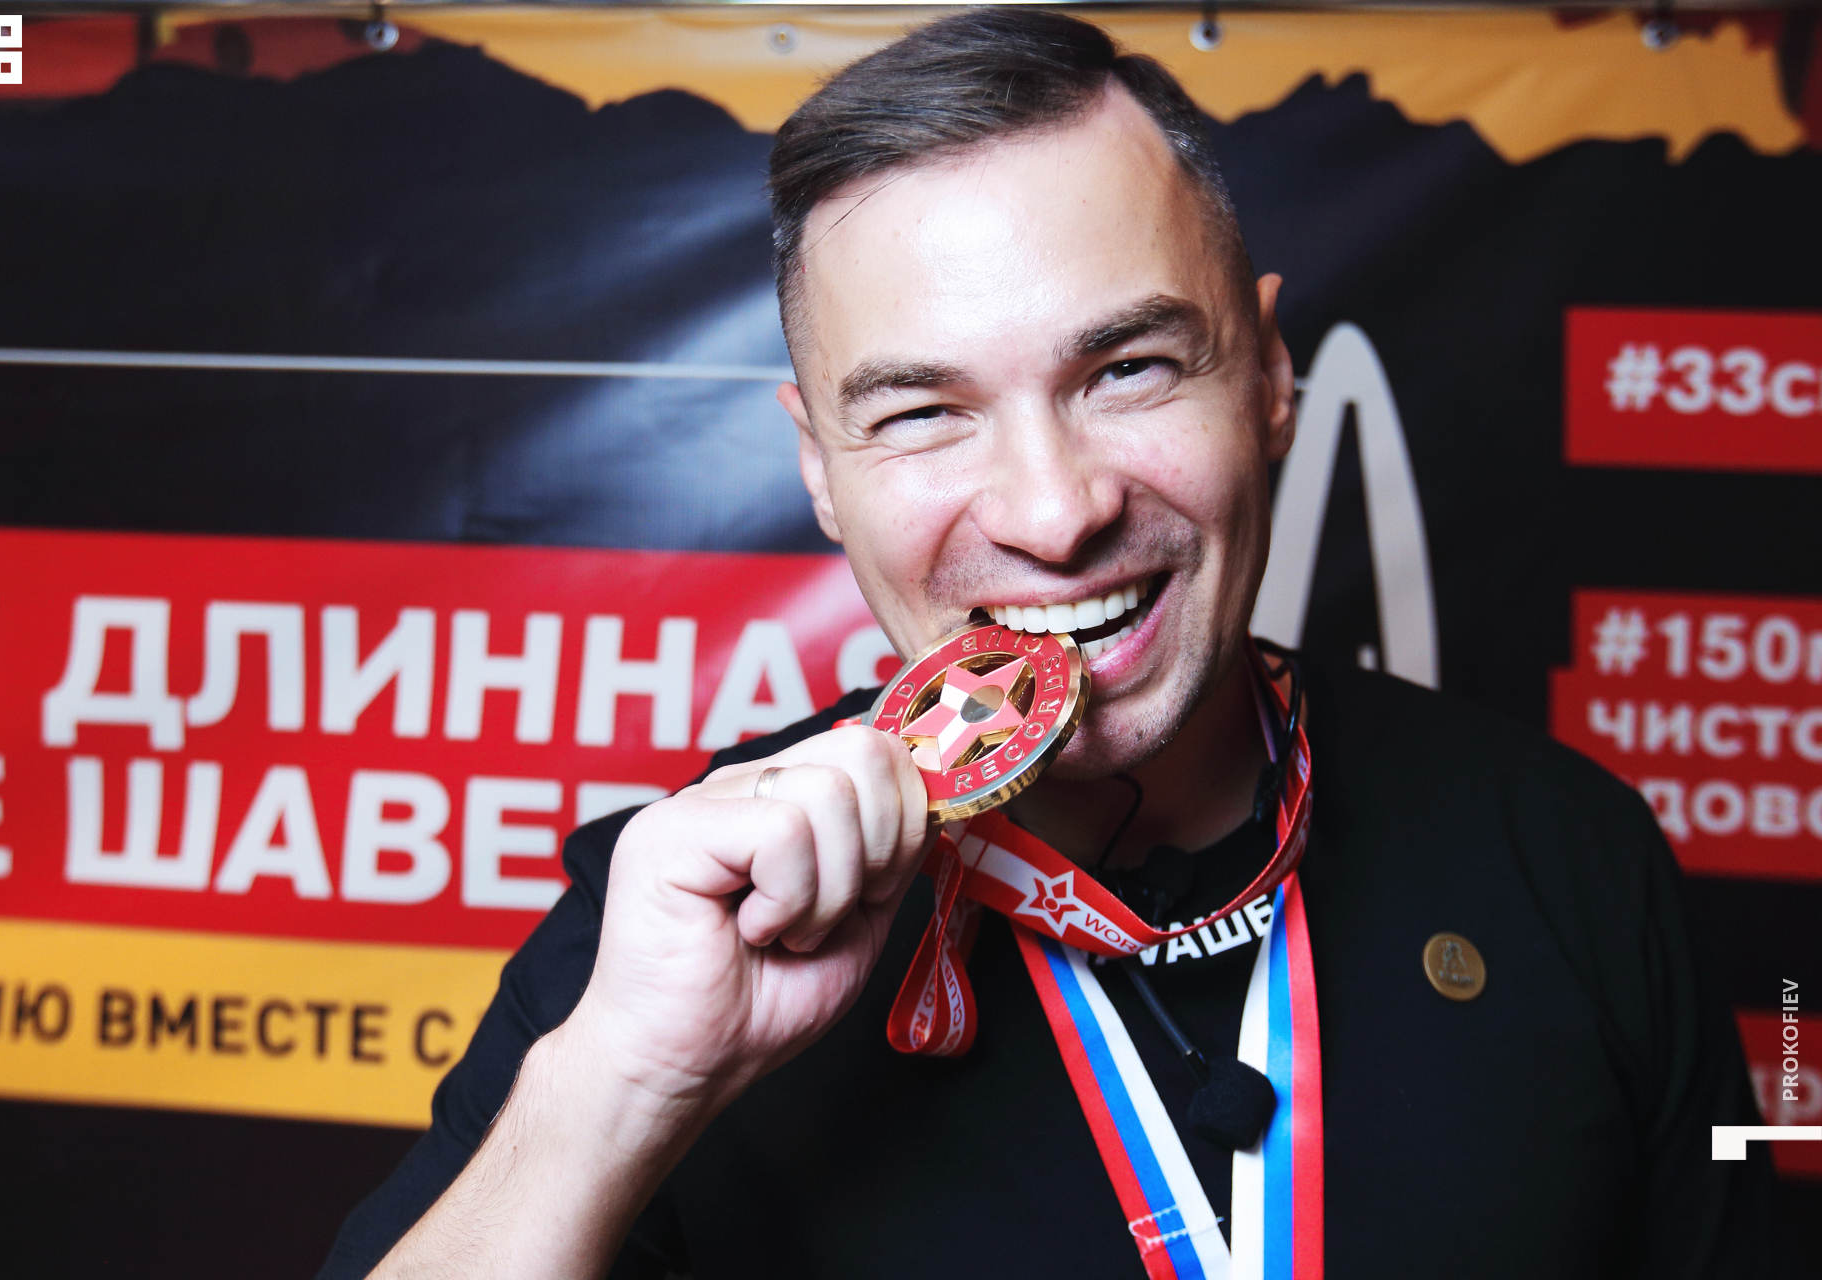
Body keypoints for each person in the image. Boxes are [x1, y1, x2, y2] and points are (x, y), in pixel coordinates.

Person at [320, 11, 1776, 1278]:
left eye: (1128, 369)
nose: (1056, 512)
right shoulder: (678, 923)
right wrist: (625, 1091)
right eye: (923, 413)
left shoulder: (1578, 855)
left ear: (1270, 377)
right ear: (820, 468)